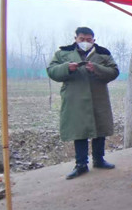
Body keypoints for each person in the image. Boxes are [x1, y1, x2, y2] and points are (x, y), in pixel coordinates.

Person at [47, 27, 119, 179]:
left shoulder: (103, 53)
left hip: (98, 98)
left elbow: (114, 71)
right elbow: (51, 71)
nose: (85, 42)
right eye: (82, 39)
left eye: (88, 39)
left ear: (94, 40)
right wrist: (67, 68)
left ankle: (99, 159)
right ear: (76, 39)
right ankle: (81, 164)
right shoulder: (63, 53)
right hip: (75, 99)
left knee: (100, 129)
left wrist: (96, 68)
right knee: (79, 131)